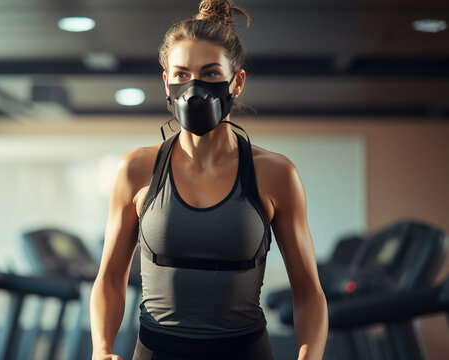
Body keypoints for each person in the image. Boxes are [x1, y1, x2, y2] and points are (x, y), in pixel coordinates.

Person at [90, 1, 328, 359]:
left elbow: (309, 292)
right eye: (182, 74)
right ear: (166, 82)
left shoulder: (276, 174)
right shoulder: (136, 169)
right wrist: (101, 348)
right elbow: (109, 278)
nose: (194, 87)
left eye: (211, 73)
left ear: (237, 82)